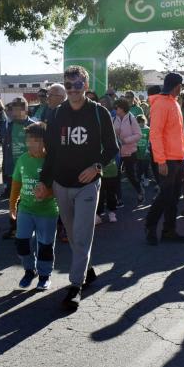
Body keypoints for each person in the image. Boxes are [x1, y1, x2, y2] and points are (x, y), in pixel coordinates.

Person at [36, 65, 118, 311]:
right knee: (72, 234)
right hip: (61, 184)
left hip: (88, 185)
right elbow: (50, 153)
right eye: (68, 85)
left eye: (77, 84)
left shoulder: (98, 113)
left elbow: (112, 148)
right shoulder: (57, 114)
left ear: (86, 85)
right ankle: (87, 269)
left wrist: (96, 167)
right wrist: (44, 180)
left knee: (82, 234)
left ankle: (75, 285)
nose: (72, 89)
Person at [144, 73, 184, 245]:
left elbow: (178, 133)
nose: (182, 89)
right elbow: (155, 134)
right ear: (177, 86)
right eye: (181, 86)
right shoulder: (161, 104)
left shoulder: (173, 103)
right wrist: (160, 160)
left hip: (178, 157)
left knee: (173, 197)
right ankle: (150, 226)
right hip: (166, 159)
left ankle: (169, 230)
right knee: (165, 195)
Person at [10, 122, 58, 290]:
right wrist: (12, 205)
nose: (31, 144)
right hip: (25, 210)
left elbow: (60, 187)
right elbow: (16, 183)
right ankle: (30, 270)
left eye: (36, 140)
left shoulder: (52, 160)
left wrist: (48, 193)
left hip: (47, 212)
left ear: (45, 141)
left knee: (45, 246)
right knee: (21, 243)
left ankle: (44, 275)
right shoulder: (23, 159)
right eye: (29, 140)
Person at [0, 97, 37, 236]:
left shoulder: (34, 126)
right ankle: (14, 227)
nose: (15, 112)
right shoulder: (7, 125)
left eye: (18, 109)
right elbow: (0, 139)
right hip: (12, 167)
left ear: (25, 110)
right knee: (13, 198)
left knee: (28, 199)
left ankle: (29, 226)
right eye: (13, 109)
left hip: (29, 169)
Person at [113, 98, 145, 205]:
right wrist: (115, 134)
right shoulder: (114, 118)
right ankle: (119, 199)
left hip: (130, 152)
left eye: (116, 107)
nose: (115, 109)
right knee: (116, 175)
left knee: (131, 175)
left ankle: (140, 191)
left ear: (122, 108)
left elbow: (139, 135)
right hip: (117, 152)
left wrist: (125, 140)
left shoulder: (131, 118)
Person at [96, 159, 120, 223]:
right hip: (101, 173)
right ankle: (98, 215)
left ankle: (111, 213)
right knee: (100, 195)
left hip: (110, 173)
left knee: (110, 194)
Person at [135, 115, 152, 187]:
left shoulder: (148, 129)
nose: (140, 124)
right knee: (138, 167)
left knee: (146, 167)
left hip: (146, 152)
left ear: (144, 122)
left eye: (142, 122)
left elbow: (150, 140)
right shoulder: (135, 130)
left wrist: (147, 150)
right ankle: (139, 179)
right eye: (138, 122)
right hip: (138, 152)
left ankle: (146, 179)